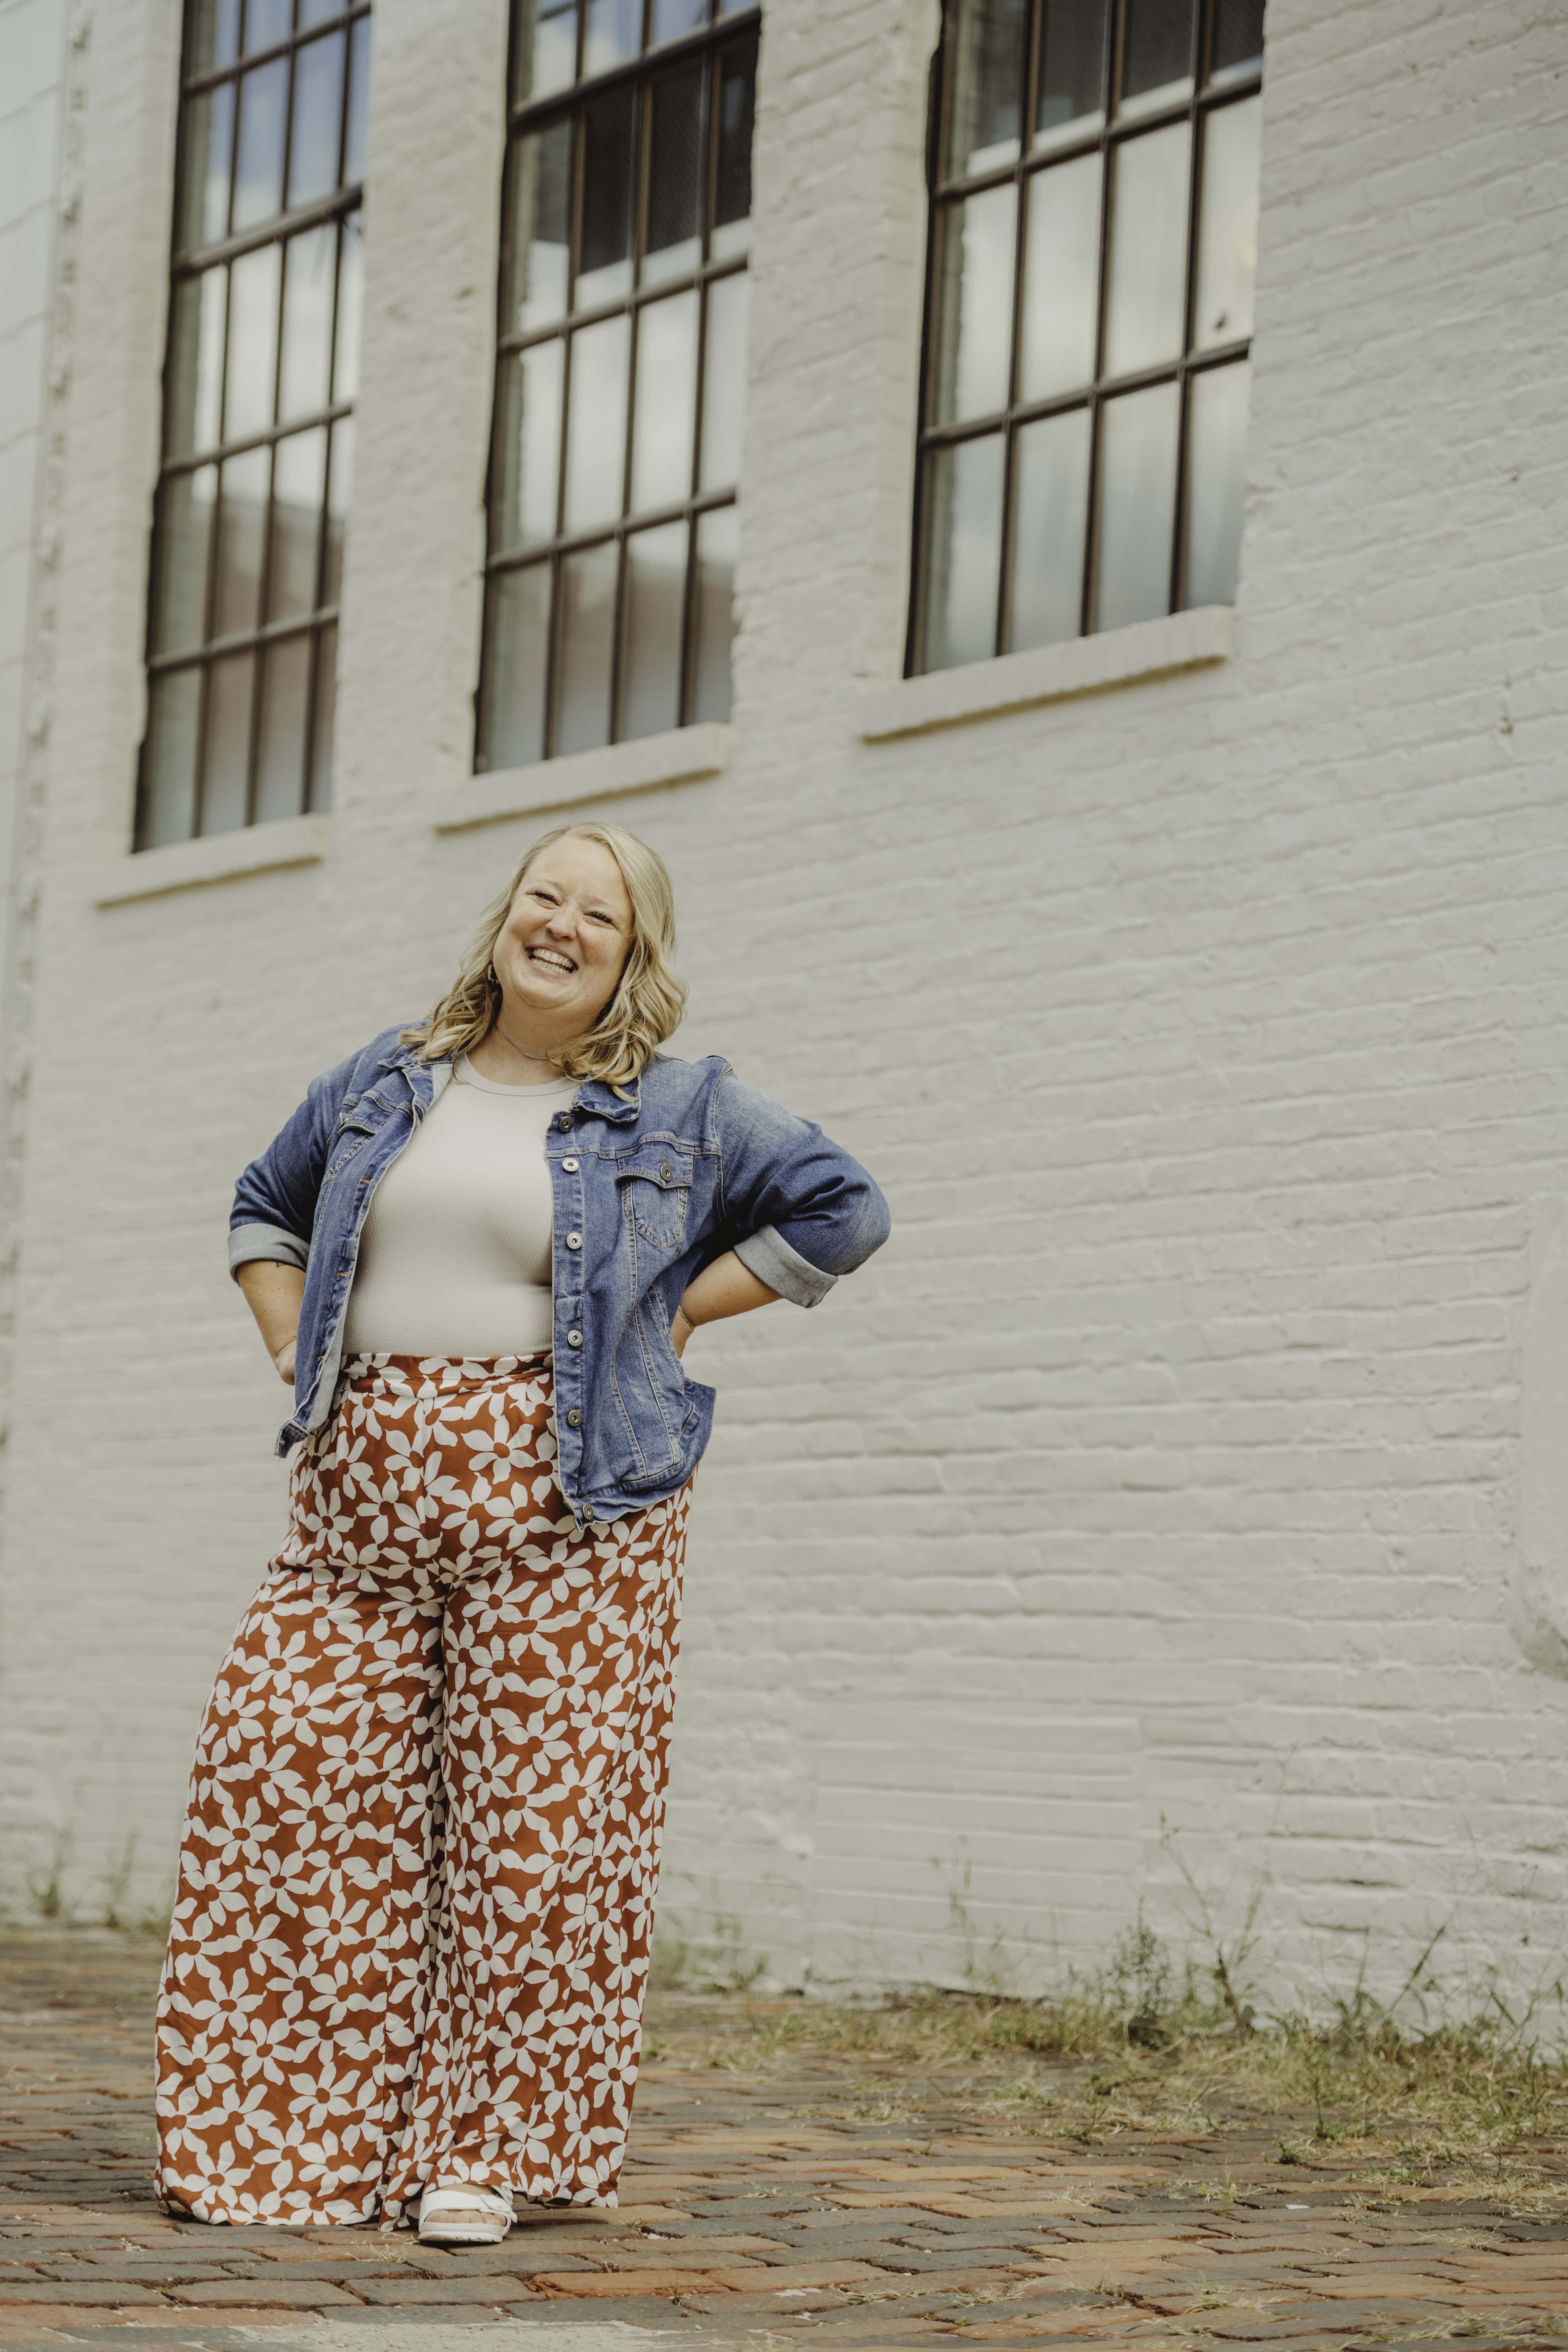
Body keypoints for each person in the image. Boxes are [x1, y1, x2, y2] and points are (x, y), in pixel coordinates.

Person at [153, 822, 889, 2245]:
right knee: (281, 1780)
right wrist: (294, 1346)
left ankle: (479, 2154)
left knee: (529, 1840)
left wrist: (669, 1313)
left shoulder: (678, 1105)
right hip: (357, 1514)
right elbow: (264, 1207)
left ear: (631, 957)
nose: (561, 925)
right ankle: (294, 2142)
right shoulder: (385, 1080)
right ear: (506, 914)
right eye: (545, 895)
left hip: (572, 1511)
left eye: (598, 916)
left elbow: (841, 1209)